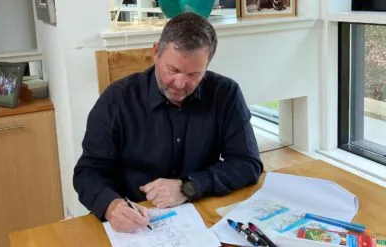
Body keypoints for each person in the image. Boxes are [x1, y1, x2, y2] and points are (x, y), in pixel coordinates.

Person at [73, 12, 263, 233]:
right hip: (136, 222)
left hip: (201, 217)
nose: (180, 84)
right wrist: (111, 206)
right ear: (156, 53)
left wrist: (189, 187)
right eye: (173, 70)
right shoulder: (116, 99)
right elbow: (87, 172)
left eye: (194, 74)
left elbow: (248, 163)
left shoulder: (225, 93)